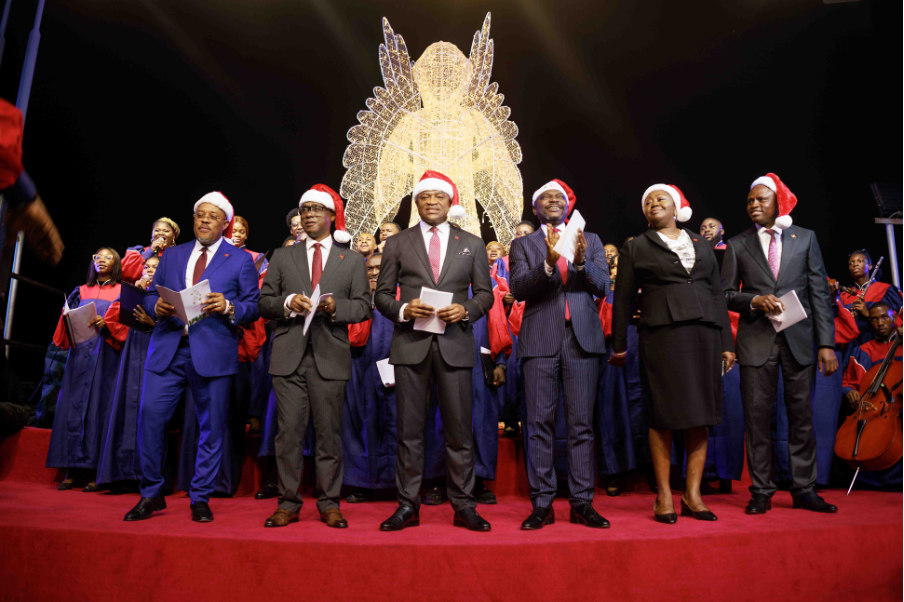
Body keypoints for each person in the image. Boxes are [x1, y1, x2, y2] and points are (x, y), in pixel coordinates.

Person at [124, 192, 260, 523]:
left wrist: (228, 306)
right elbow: (154, 291)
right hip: (169, 347)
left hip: (213, 350)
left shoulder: (240, 260)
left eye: (212, 216)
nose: (203, 220)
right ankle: (151, 493)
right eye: (200, 214)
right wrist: (156, 305)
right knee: (150, 419)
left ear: (225, 223)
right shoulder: (173, 254)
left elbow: (252, 306)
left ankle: (200, 496)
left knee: (211, 427)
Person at [374, 170, 494, 532]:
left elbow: (485, 294)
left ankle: (464, 505)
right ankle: (407, 505)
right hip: (411, 345)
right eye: (424, 197)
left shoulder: (471, 243)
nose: (430, 202)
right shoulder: (397, 243)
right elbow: (381, 294)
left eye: (438, 197)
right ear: (416, 203)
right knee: (409, 432)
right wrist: (403, 310)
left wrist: (468, 310)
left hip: (455, 344)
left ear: (449, 202)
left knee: (459, 432)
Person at [610, 184, 734, 523]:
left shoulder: (700, 243)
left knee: (700, 414)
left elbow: (715, 293)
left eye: (660, 198)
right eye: (647, 201)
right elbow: (621, 299)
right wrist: (619, 344)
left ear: (677, 207)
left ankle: (693, 495)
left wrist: (726, 342)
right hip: (661, 334)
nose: (653, 203)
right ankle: (664, 494)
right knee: (662, 415)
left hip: (703, 333)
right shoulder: (635, 246)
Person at [722, 173, 838, 515]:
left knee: (802, 418)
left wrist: (826, 343)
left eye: (761, 200)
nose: (754, 205)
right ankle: (761, 490)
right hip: (756, 341)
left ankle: (804, 489)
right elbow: (726, 294)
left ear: (778, 203)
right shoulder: (737, 243)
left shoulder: (805, 239)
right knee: (757, 420)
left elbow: (818, 294)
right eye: (750, 201)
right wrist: (756, 301)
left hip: (800, 341)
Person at [258, 184, 370, 529]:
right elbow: (264, 303)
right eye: (304, 209)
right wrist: (287, 303)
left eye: (315, 209)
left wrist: (338, 307)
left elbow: (364, 306)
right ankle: (288, 503)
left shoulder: (350, 259)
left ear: (332, 216)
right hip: (289, 355)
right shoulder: (282, 255)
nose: (307, 214)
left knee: (328, 434)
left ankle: (329, 502)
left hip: (330, 356)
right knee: (288, 433)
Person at [511, 178, 611, 530]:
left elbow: (603, 286)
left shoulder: (592, 240)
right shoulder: (523, 244)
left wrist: (581, 263)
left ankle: (582, 502)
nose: (553, 201)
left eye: (559, 197)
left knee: (582, 424)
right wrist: (549, 264)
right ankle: (542, 504)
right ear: (535, 208)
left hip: (582, 339)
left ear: (569, 204)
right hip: (540, 339)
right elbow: (519, 289)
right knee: (538, 424)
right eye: (545, 198)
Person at [47, 248, 124, 491]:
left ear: (117, 263)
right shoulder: (80, 291)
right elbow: (63, 327)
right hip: (80, 355)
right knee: (72, 407)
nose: (101, 259)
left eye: (108, 256)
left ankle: (95, 470)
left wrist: (108, 322)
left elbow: (126, 326)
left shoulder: (122, 291)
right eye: (97, 256)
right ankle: (71, 468)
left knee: (99, 409)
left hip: (106, 356)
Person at [96, 255, 159, 490]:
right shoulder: (135, 290)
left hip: (155, 352)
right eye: (147, 267)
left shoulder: (167, 294)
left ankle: (146, 476)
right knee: (125, 407)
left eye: (155, 268)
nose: (150, 270)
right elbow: (113, 321)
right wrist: (132, 294)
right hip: (132, 352)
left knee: (147, 411)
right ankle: (120, 474)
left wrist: (154, 324)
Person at [343, 252, 400, 502]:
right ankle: (361, 482)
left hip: (396, 367)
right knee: (361, 421)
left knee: (395, 423)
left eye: (380, 268)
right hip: (359, 366)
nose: (375, 273)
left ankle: (397, 482)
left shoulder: (401, 297)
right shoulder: (355, 297)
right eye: (370, 269)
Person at [840, 302, 902, 488]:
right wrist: (850, 392)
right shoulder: (864, 350)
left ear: (894, 318)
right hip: (873, 407)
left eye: (884, 317)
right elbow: (846, 381)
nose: (880, 323)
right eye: (874, 319)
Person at [835, 250, 902, 349]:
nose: (855, 265)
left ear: (870, 266)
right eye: (851, 263)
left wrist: (868, 314)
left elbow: (900, 317)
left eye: (860, 261)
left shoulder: (885, 289)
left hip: (881, 346)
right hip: (852, 348)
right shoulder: (844, 295)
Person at [121, 218, 180, 284]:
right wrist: (151, 251)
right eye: (157, 230)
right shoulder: (138, 251)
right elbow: (124, 272)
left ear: (173, 236)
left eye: (166, 231)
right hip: (138, 292)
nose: (161, 233)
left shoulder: (179, 256)